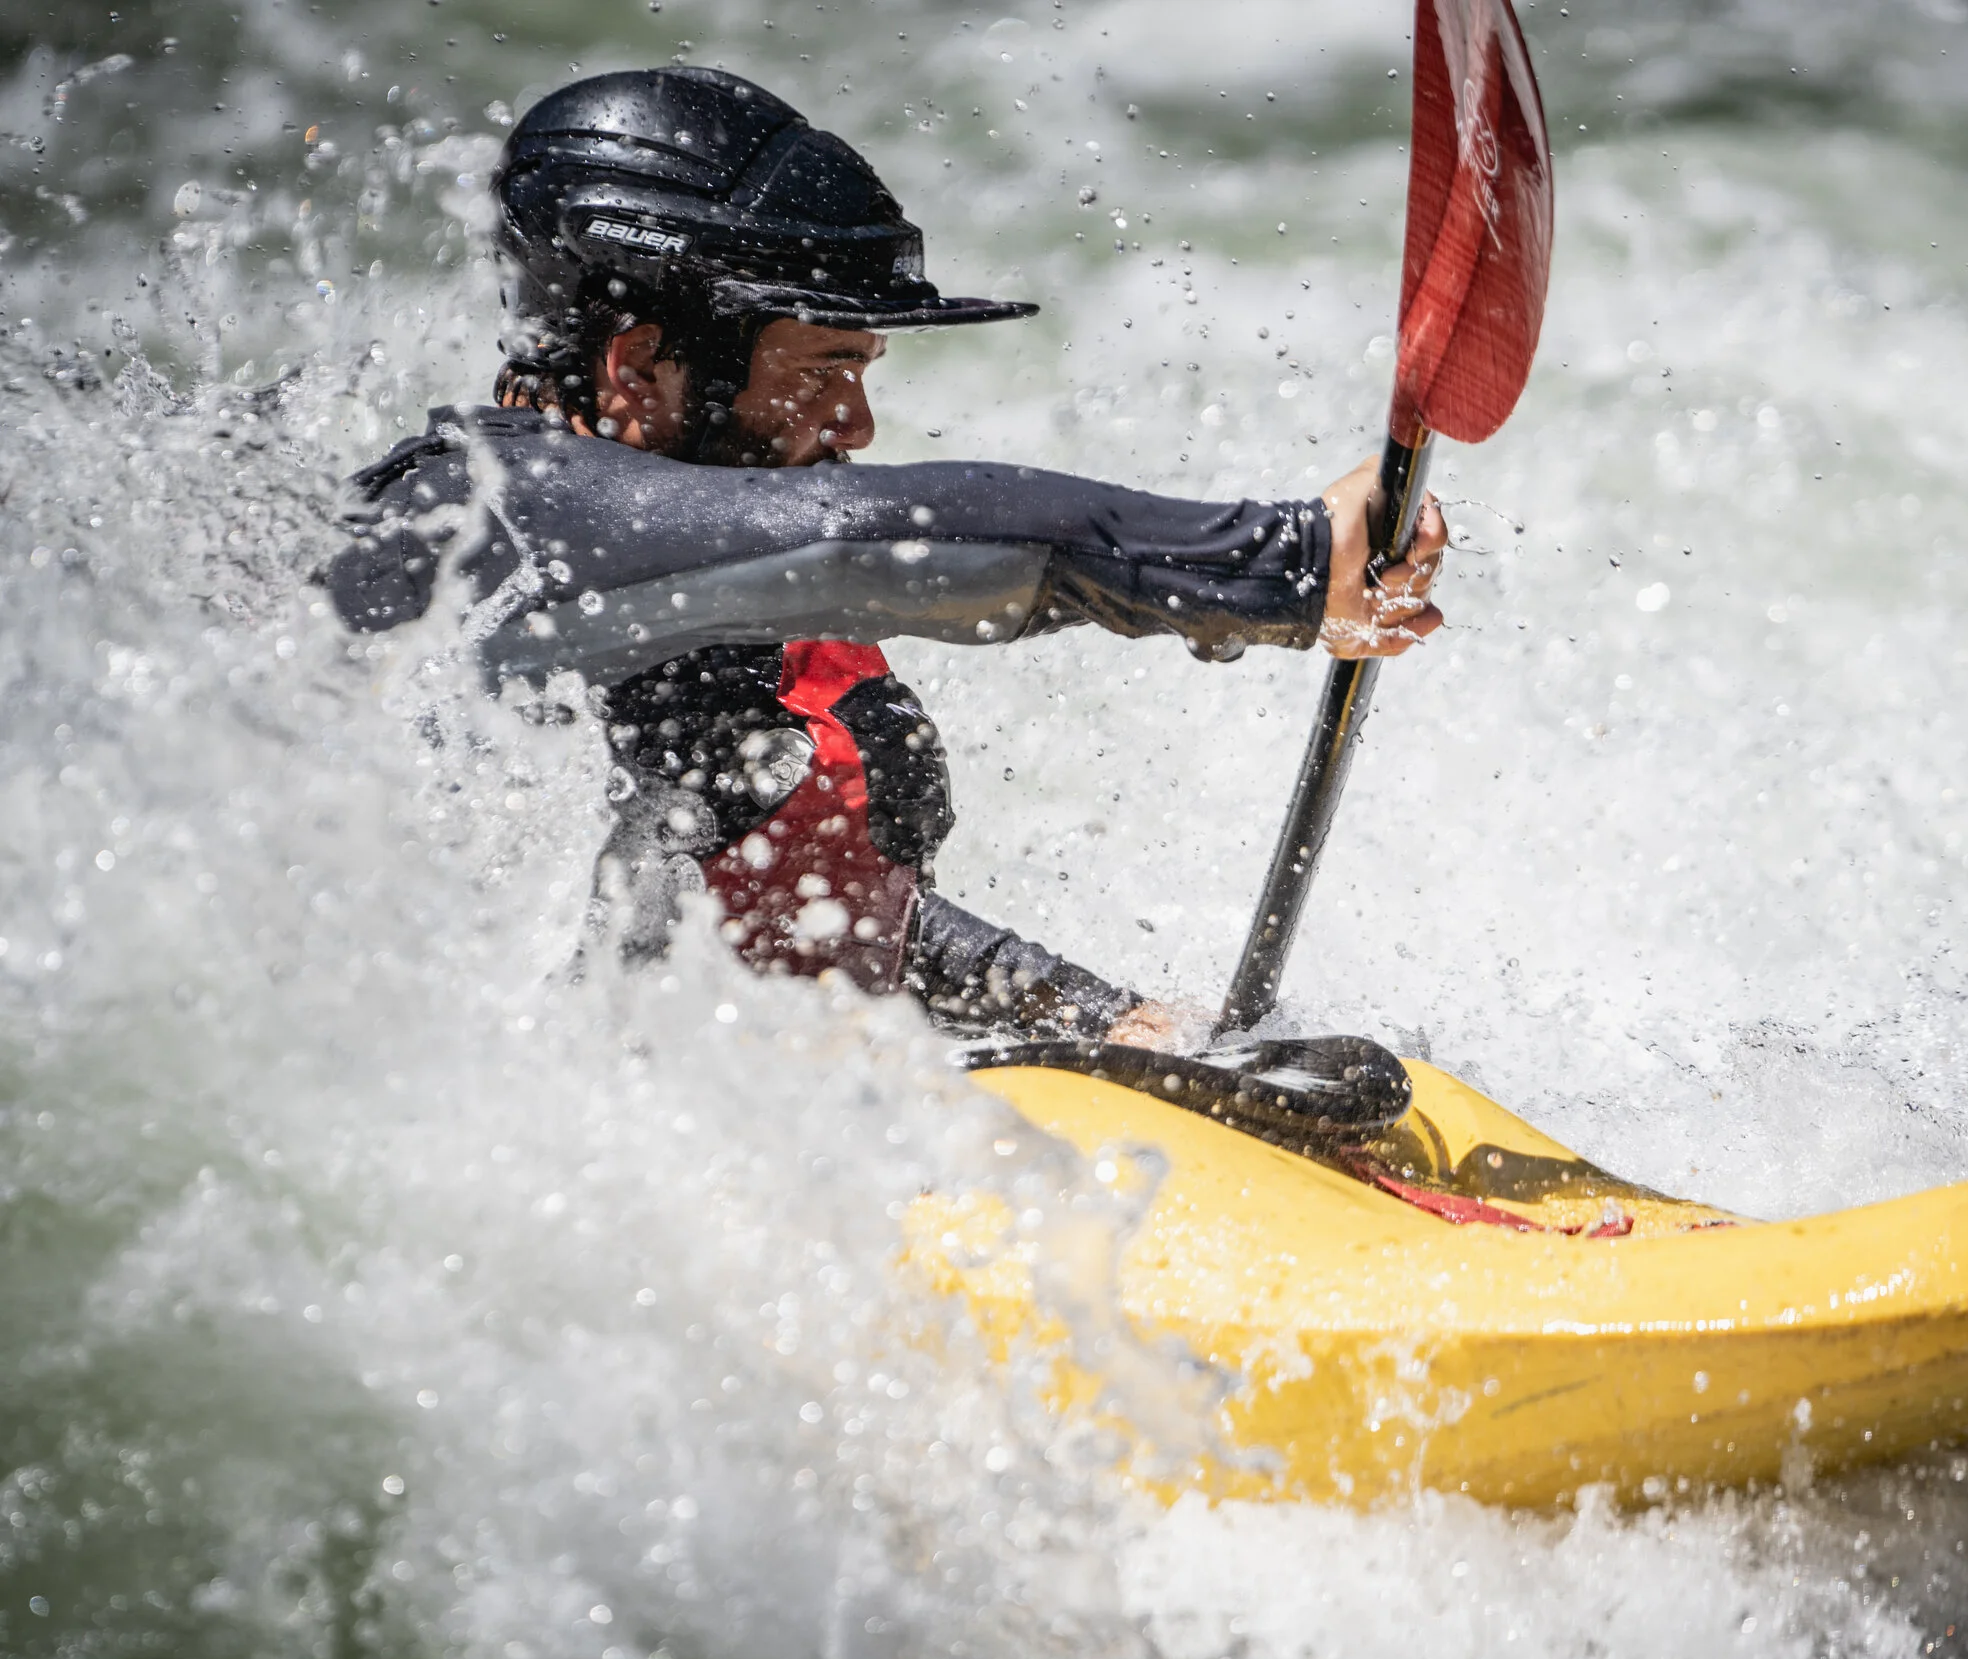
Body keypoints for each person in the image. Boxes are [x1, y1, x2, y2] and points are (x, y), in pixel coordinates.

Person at [329, 66, 1445, 1044]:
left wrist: (1103, 1016)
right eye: (815, 369)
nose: (855, 426)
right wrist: (1277, 561)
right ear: (637, 368)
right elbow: (884, 532)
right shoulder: (484, 523)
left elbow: (807, 911)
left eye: (863, 370)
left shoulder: (695, 586)